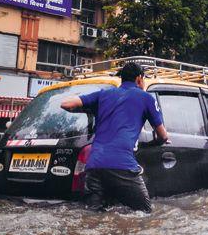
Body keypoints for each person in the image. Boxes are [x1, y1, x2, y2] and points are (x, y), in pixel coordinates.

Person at [60, 62, 168, 212]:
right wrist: (158, 140)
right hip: (122, 165)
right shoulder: (146, 98)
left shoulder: (103, 94)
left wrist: (88, 108)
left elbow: (66, 104)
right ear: (139, 79)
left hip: (94, 166)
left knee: (93, 216)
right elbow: (163, 135)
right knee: (145, 214)